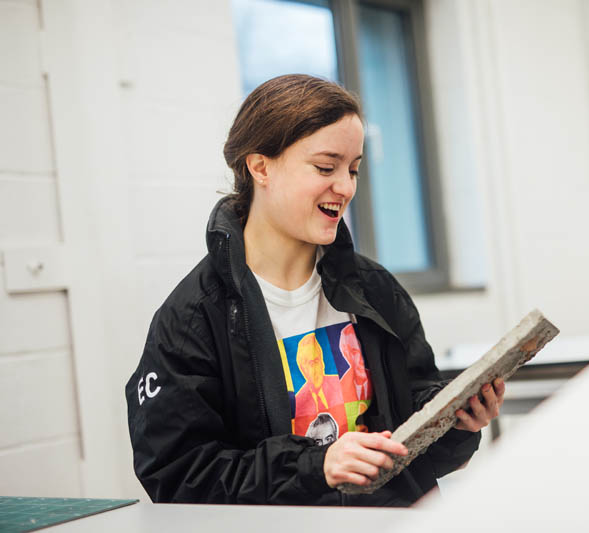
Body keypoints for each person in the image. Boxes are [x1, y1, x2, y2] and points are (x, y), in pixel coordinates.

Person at [125, 74, 505, 507]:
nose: (344, 187)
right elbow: (179, 478)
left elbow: (412, 429)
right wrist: (316, 467)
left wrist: (456, 423)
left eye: (354, 169)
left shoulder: (375, 288)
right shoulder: (191, 318)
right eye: (326, 167)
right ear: (260, 166)